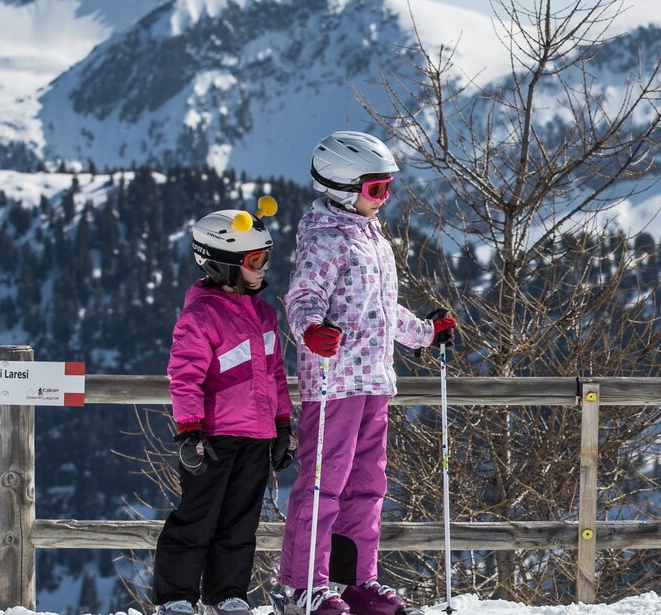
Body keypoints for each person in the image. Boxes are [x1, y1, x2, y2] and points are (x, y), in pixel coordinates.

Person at [276, 131, 458, 615]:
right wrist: (311, 330)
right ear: (340, 186)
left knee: (368, 485)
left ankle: (353, 581)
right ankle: (304, 587)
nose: (385, 197)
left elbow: (381, 307)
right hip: (333, 382)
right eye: (376, 189)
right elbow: (302, 298)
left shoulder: (373, 239)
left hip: (375, 379)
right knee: (322, 486)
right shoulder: (324, 239)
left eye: (388, 187)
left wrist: (424, 333)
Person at [155, 205, 297, 615]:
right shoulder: (201, 315)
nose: (263, 266)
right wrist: (189, 431)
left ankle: (227, 594)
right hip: (213, 437)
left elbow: (275, 374)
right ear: (222, 264)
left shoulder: (266, 314)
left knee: (240, 521)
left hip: (257, 436)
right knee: (198, 518)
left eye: (265, 256)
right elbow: (183, 376)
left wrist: (282, 425)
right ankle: (177, 597)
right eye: (255, 259)